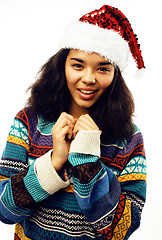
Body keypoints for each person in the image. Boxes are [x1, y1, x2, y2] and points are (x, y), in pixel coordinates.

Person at [0, 5, 146, 240]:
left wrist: (86, 160)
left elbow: (122, 230)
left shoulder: (129, 138)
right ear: (62, 66)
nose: (88, 78)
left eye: (103, 68)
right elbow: (4, 210)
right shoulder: (28, 122)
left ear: (115, 75)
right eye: (78, 65)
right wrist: (54, 162)